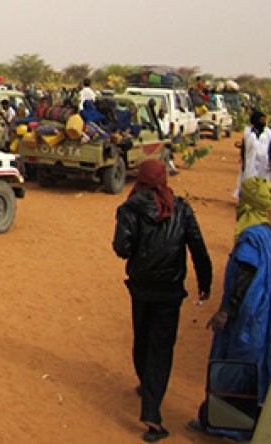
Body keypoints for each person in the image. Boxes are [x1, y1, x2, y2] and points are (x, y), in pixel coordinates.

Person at [189, 176, 271, 441]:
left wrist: (226, 311)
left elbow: (245, 277)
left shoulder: (251, 239)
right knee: (264, 373)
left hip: (250, 321)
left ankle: (226, 425)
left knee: (236, 371)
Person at [112, 159, 212, 443]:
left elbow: (122, 248)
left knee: (142, 336)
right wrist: (205, 282)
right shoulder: (181, 208)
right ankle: (152, 412)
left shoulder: (129, 209)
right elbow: (197, 246)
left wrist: (139, 250)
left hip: (141, 286)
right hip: (170, 289)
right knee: (161, 347)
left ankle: (147, 388)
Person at [233, 110, 271, 198]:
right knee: (249, 180)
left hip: (263, 161)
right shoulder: (249, 132)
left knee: (262, 181)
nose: (264, 122)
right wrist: (243, 159)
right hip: (250, 160)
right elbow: (244, 146)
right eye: (262, 120)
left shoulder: (268, 132)